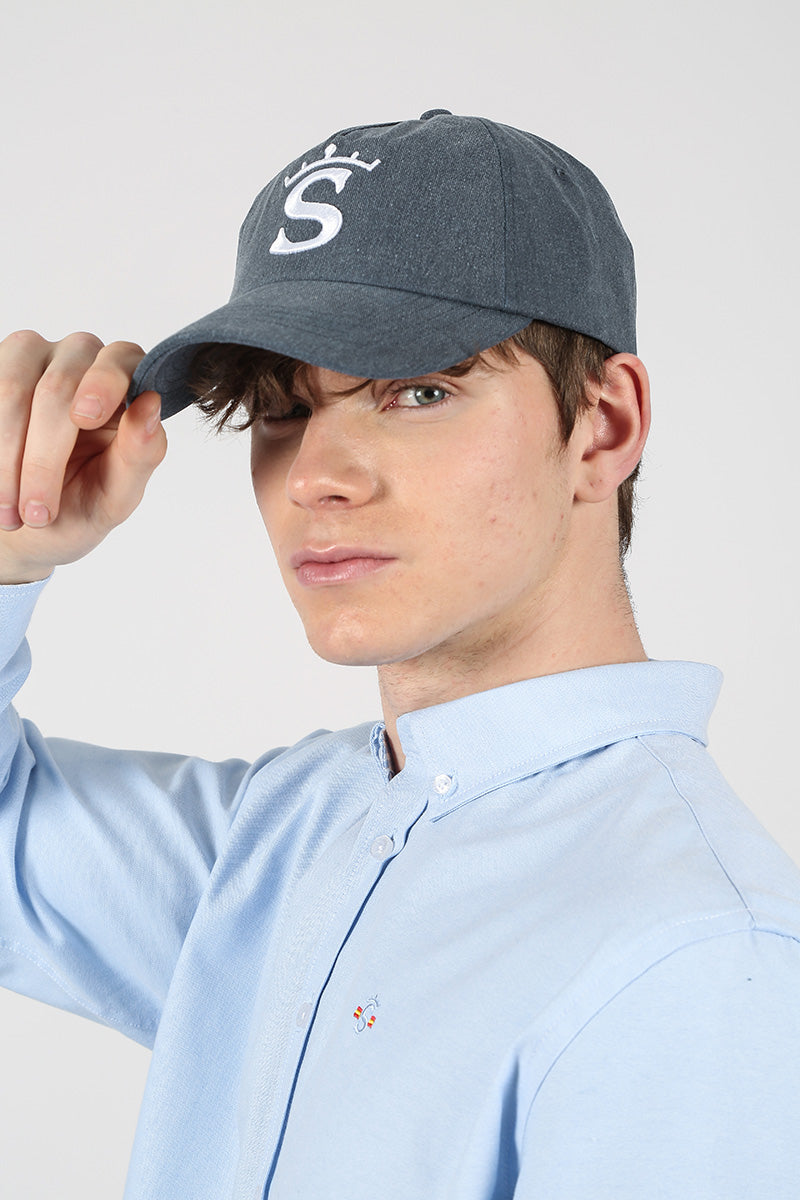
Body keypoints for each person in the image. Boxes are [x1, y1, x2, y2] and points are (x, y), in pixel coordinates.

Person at [1, 110, 799, 1199]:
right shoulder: (281, 840)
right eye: (280, 409)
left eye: (419, 390)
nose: (314, 476)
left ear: (603, 426)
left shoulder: (691, 955)